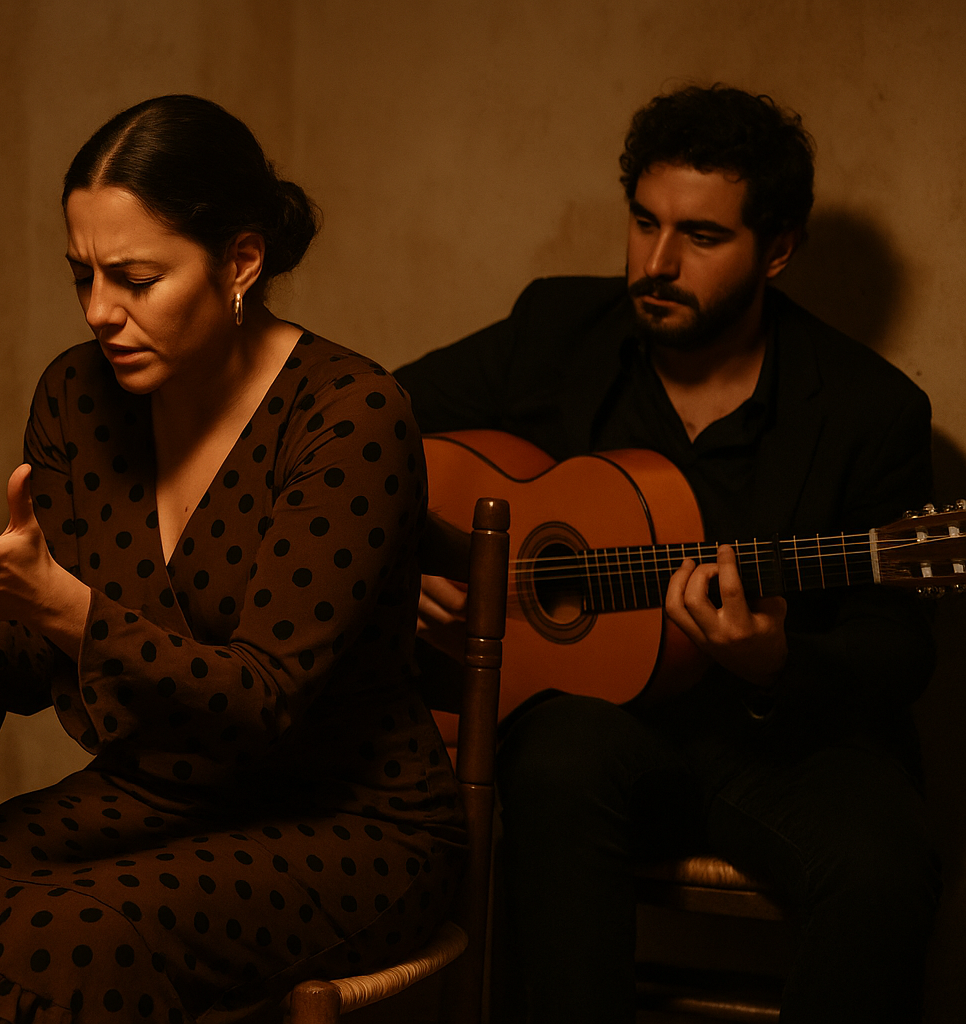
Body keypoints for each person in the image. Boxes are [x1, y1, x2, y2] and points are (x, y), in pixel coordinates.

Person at [0, 94, 458, 1024]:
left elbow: (261, 700)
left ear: (241, 260)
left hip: (346, 821)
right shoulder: (78, 397)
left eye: (137, 279)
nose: (101, 312)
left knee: (68, 942)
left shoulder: (349, 417)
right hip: (159, 799)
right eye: (83, 276)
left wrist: (59, 603)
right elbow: (29, 667)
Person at [396, 85, 939, 1022]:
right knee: (555, 761)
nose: (656, 263)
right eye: (645, 222)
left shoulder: (870, 409)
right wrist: (401, 563)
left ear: (777, 249)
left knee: (887, 866)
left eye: (702, 236)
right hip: (606, 736)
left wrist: (775, 662)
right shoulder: (557, 332)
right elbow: (362, 427)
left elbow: (901, 650)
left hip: (785, 745)